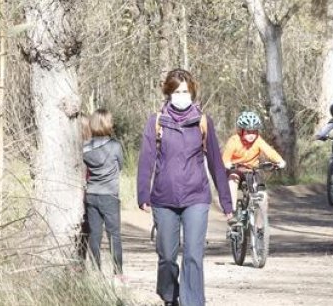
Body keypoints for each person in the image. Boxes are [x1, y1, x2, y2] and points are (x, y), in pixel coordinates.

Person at [137, 69, 233, 306]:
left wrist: (226, 201)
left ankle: (193, 302)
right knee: (167, 257)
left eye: (186, 91)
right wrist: (142, 194)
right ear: (168, 93)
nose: (182, 96)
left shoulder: (203, 121)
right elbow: (146, 159)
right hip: (163, 197)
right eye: (177, 92)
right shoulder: (156, 122)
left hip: (196, 197)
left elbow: (216, 164)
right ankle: (170, 296)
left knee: (192, 255)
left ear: (192, 93)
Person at [82, 109, 126, 281]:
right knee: (114, 234)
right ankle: (118, 273)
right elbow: (121, 166)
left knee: (95, 234)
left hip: (92, 194)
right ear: (108, 124)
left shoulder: (85, 148)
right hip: (110, 196)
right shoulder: (115, 146)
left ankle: (96, 272)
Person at [222, 110, 286, 207]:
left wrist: (280, 161)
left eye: (254, 131)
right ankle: (233, 210)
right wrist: (227, 164)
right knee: (232, 180)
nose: (251, 135)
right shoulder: (234, 140)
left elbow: (269, 151)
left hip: (252, 170)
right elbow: (225, 159)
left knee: (262, 192)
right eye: (248, 132)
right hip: (236, 169)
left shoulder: (258, 140)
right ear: (242, 131)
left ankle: (262, 219)